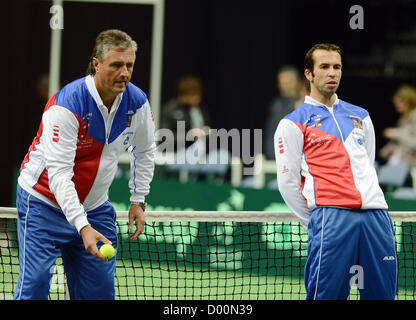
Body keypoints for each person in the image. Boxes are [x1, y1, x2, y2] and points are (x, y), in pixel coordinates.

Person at [14, 29, 156, 300]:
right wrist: (82, 226)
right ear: (96, 64)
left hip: (95, 207)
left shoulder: (136, 103)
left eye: (129, 65)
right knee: (34, 291)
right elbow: (59, 175)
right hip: (44, 203)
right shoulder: (66, 106)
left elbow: (146, 149)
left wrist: (139, 199)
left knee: (99, 295)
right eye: (116, 65)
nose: (124, 73)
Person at [274, 43, 397, 300]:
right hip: (331, 217)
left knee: (383, 295)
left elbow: (368, 164)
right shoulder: (293, 123)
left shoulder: (361, 116)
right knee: (327, 296)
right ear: (309, 74)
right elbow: (287, 183)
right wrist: (318, 219)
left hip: (376, 217)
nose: (332, 73)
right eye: (324, 67)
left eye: (337, 67)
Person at [379, 85, 416, 186]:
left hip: (411, 167)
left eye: (401, 102)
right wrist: (383, 152)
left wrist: (396, 134)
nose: (397, 105)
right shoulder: (402, 120)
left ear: (409, 101)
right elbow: (397, 145)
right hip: (398, 164)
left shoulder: (414, 117)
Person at [264, 66, 304, 160]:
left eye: (288, 83)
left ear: (298, 82)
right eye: (282, 83)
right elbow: (271, 135)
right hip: (280, 160)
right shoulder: (277, 105)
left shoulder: (308, 103)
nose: (284, 87)